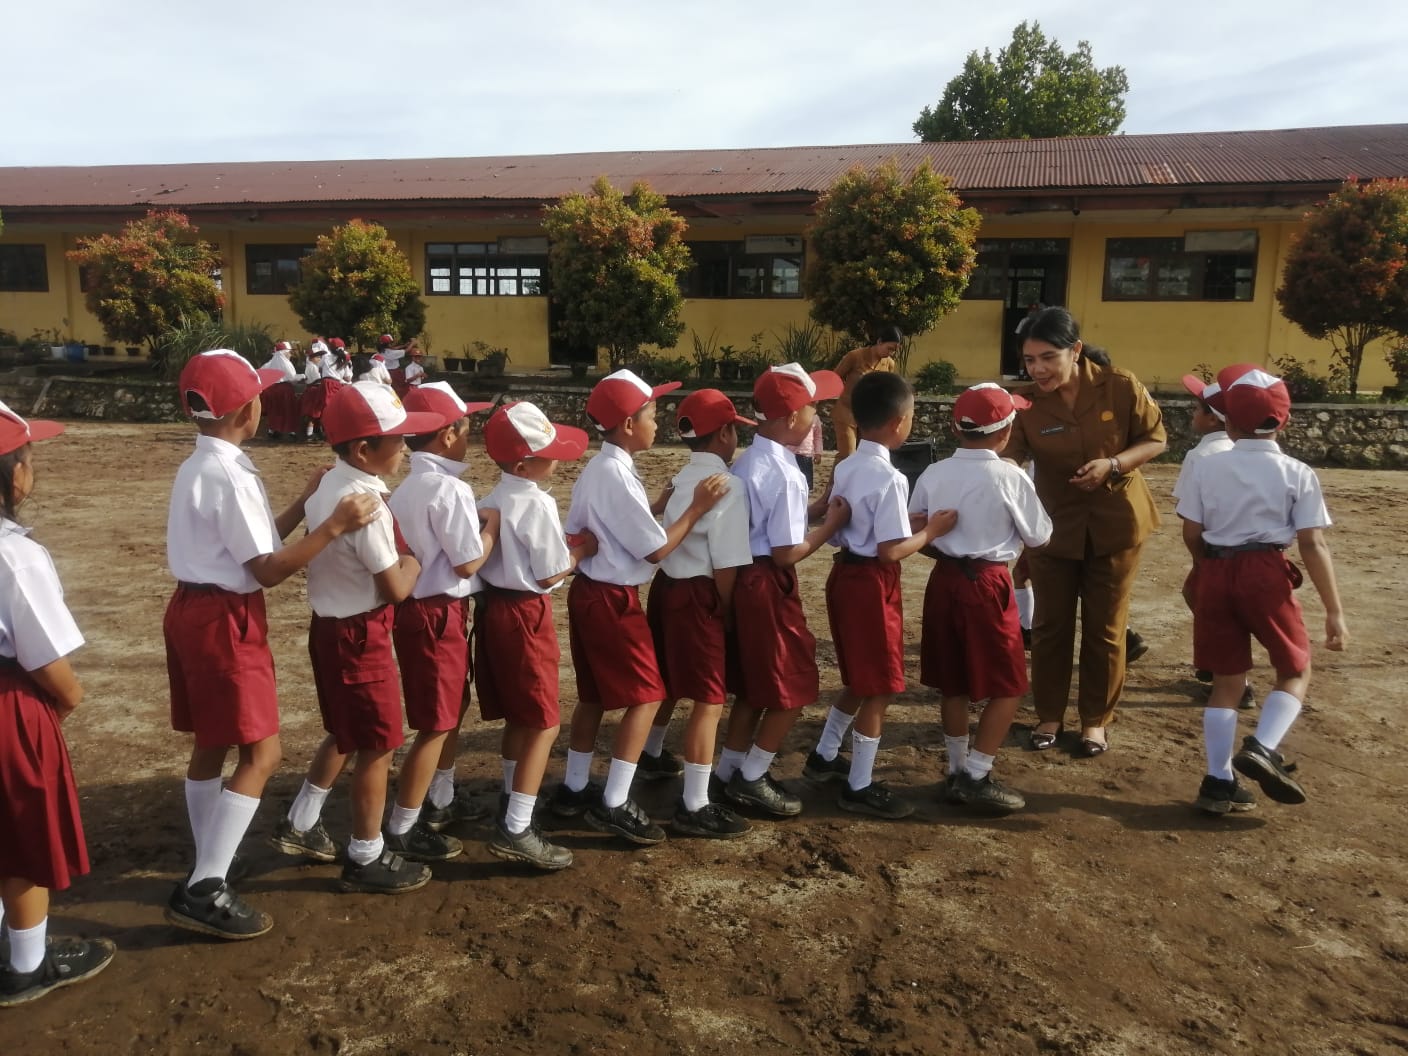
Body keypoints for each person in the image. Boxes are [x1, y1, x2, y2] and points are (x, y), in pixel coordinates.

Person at [162, 350, 378, 939]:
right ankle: (206, 885)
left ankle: (211, 858)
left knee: (213, 740)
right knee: (262, 753)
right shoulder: (228, 474)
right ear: (246, 408)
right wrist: (333, 526)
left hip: (192, 606)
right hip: (225, 616)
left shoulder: (202, 464)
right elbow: (266, 569)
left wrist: (305, 505)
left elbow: (255, 544)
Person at [270, 381, 447, 893]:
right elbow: (394, 588)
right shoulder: (362, 503)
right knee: (379, 744)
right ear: (363, 449)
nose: (405, 447)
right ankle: (366, 854)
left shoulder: (329, 485)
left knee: (346, 731)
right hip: (360, 634)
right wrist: (415, 560)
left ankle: (301, 822)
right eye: (395, 439)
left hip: (329, 628)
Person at [556, 369, 728, 846]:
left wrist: (657, 504)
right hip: (613, 598)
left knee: (592, 696)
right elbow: (654, 551)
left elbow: (616, 525)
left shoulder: (602, 467)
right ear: (629, 424)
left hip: (591, 592)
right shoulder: (614, 473)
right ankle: (613, 801)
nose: (660, 421)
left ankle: (573, 788)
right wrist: (694, 507)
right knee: (647, 697)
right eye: (653, 414)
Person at [1177, 366, 1347, 816]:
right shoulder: (1297, 472)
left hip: (1216, 567)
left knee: (1227, 680)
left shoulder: (1206, 466)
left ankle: (1217, 783)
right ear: (1283, 421)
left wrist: (1204, 568)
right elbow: (1313, 543)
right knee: (1295, 668)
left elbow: (1191, 531)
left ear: (1227, 421)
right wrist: (1334, 610)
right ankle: (1264, 747)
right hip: (1265, 571)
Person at [1004, 307, 1167, 757]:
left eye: (1048, 357)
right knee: (1051, 627)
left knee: (1106, 631)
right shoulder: (1026, 405)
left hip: (1117, 526)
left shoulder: (1121, 386)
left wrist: (1113, 464)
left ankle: (1095, 721)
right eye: (1029, 359)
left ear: (1075, 351)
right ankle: (1049, 715)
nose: (1037, 369)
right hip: (1052, 530)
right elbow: (1009, 460)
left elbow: (1155, 439)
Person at [0, 402, 116, 1006]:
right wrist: (63, 703)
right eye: (27, 457)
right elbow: (47, 659)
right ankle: (25, 965)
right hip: (8, 702)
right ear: (14, 476)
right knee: (21, 838)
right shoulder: (14, 555)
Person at [804, 371, 956, 820]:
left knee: (860, 675)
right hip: (872, 584)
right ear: (899, 422)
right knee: (881, 686)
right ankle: (860, 784)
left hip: (845, 577)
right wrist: (930, 530)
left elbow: (861, 529)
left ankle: (826, 753)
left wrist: (910, 526)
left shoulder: (847, 465)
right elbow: (890, 551)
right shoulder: (890, 478)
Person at [908, 383, 1053, 813]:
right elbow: (1039, 536)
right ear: (1006, 431)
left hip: (944, 579)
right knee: (1008, 685)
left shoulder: (934, 473)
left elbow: (916, 523)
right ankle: (976, 773)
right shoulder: (1010, 475)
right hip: (988, 582)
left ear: (956, 426)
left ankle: (956, 768)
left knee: (952, 681)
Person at [717, 364, 850, 817]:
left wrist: (813, 509)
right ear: (795, 416)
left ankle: (727, 772)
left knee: (754, 686)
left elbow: (767, 523)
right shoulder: (788, 472)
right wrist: (831, 524)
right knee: (793, 685)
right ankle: (753, 775)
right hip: (768, 584)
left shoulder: (751, 460)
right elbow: (785, 552)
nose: (816, 416)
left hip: (744, 577)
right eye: (813, 407)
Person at [475, 401, 594, 869]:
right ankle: (518, 826)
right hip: (526, 613)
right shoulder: (538, 502)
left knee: (517, 714)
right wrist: (581, 552)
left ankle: (512, 797)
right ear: (524, 464)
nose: (556, 459)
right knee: (544, 720)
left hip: (495, 612)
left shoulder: (490, 497)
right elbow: (549, 575)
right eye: (547, 453)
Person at [386, 383, 497, 853]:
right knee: (437, 721)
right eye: (466, 426)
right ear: (449, 435)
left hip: (426, 611)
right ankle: (403, 825)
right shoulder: (448, 488)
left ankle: (441, 794)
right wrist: (492, 528)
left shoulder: (409, 485)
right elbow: (469, 562)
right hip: (437, 613)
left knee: (450, 711)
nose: (469, 433)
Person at [642, 390, 754, 839]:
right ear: (725, 432)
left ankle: (651, 751)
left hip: (666, 588)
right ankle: (695, 802)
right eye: (734, 432)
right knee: (709, 700)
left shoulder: (678, 478)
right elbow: (726, 562)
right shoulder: (728, 485)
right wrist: (725, 612)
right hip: (700, 592)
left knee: (669, 678)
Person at [1176, 372, 1253, 708]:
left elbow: (1188, 517)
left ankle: (1235, 680)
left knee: (1213, 609)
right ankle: (1216, 667)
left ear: (1212, 419)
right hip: (1252, 550)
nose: (1193, 414)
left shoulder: (1201, 456)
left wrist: (1198, 558)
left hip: (1213, 549)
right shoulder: (1242, 449)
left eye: (1197, 409)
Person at [830, 325, 901, 459]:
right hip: (847, 412)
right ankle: (837, 481)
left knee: (867, 456)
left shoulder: (889, 364)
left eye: (894, 350)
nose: (890, 353)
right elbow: (835, 376)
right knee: (847, 455)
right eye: (889, 348)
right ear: (879, 342)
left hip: (869, 418)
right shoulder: (855, 356)